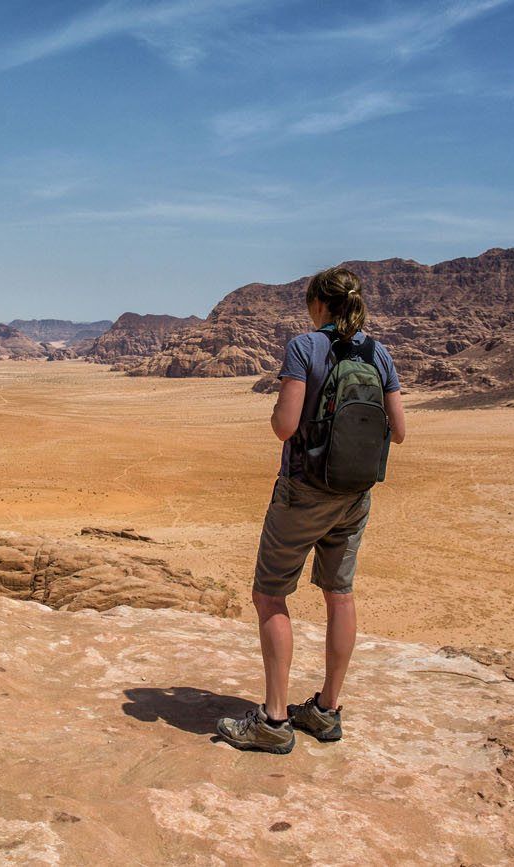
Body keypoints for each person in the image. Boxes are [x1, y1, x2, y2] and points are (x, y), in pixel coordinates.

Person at [217, 266, 406, 754]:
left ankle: (274, 721)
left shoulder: (305, 347)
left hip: (304, 491)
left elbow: (285, 426)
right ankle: (326, 712)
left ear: (318, 304)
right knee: (340, 595)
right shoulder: (379, 353)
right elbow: (399, 431)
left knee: (270, 597)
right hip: (355, 494)